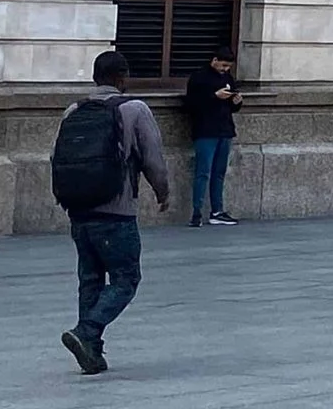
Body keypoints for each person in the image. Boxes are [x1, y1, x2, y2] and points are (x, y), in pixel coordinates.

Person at [57, 49, 170, 375]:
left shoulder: (74, 110)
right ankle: (86, 332)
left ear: (94, 77)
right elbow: (152, 158)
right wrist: (162, 191)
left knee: (90, 279)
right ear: (123, 78)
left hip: (79, 210)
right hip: (116, 211)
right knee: (126, 278)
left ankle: (91, 353)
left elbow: (57, 157)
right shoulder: (134, 109)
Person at [182, 50, 241, 226]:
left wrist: (236, 102)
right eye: (223, 65)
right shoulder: (199, 78)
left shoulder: (228, 78)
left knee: (219, 173)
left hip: (225, 129)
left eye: (228, 66)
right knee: (203, 172)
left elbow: (231, 107)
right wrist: (214, 96)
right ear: (214, 60)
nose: (225, 69)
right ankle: (197, 212)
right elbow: (191, 104)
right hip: (205, 130)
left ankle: (217, 211)